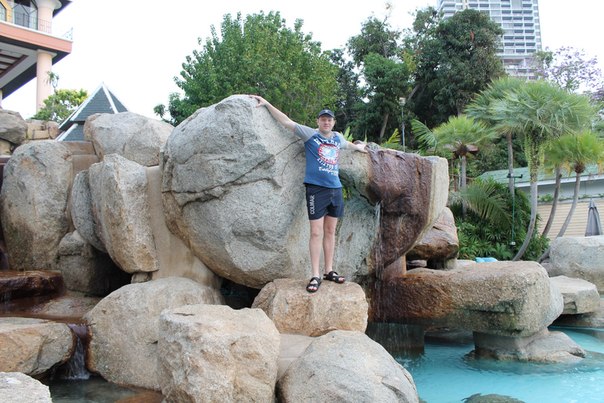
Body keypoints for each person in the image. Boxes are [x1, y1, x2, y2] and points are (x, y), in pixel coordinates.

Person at [249, 95, 367, 293]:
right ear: (318, 121)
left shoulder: (337, 138)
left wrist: (359, 147)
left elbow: (349, 145)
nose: (326, 122)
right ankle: (315, 274)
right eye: (323, 119)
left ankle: (329, 271)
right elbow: (286, 121)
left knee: (330, 231)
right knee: (316, 232)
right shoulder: (310, 135)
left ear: (333, 123)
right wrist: (267, 103)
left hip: (335, 189)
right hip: (316, 190)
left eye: (329, 120)